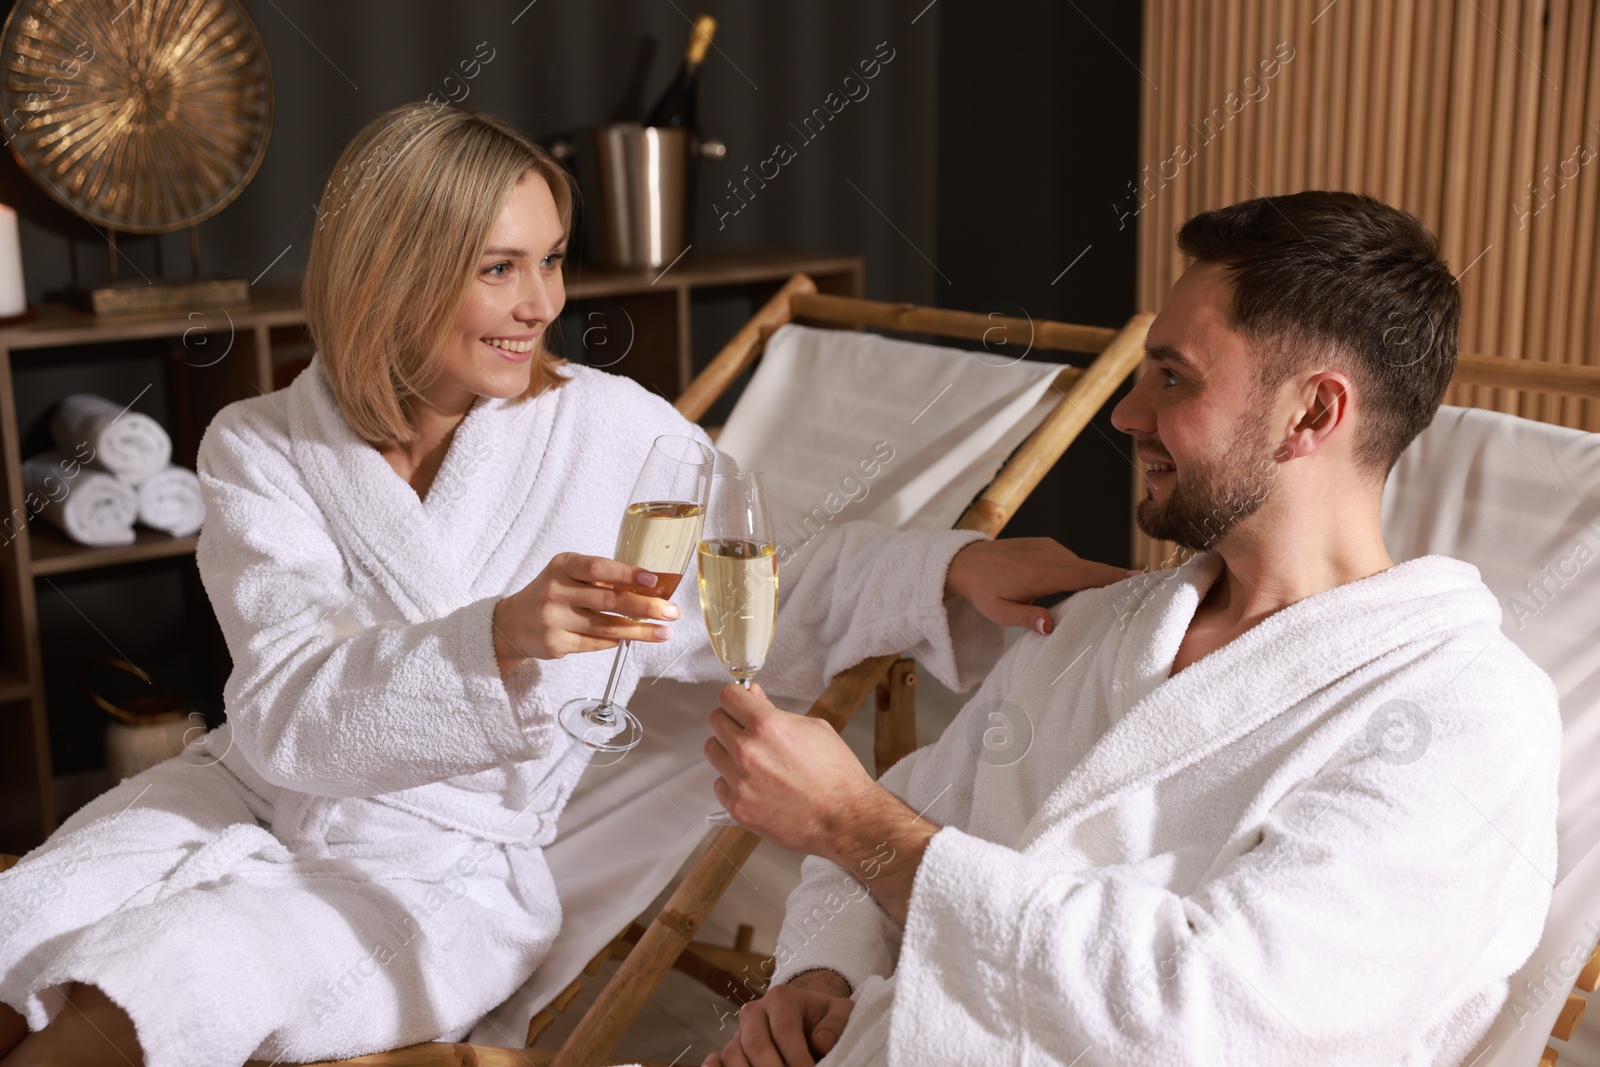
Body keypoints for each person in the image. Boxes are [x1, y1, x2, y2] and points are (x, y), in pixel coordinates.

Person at [0, 104, 1125, 1067]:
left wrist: (954, 561)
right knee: (26, 923)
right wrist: (495, 635)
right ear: (389, 270)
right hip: (248, 788)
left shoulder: (612, 435)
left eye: (551, 258)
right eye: (500, 267)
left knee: (152, 979)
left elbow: (767, 572)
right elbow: (287, 711)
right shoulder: (264, 445)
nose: (542, 302)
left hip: (440, 878)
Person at [703, 191, 1561, 1067]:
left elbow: (1215, 1019)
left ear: (1311, 414)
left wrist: (854, 823)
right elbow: (918, 813)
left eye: (1174, 376)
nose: (1125, 413)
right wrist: (824, 975)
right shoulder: (1106, 625)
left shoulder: (1465, 717)